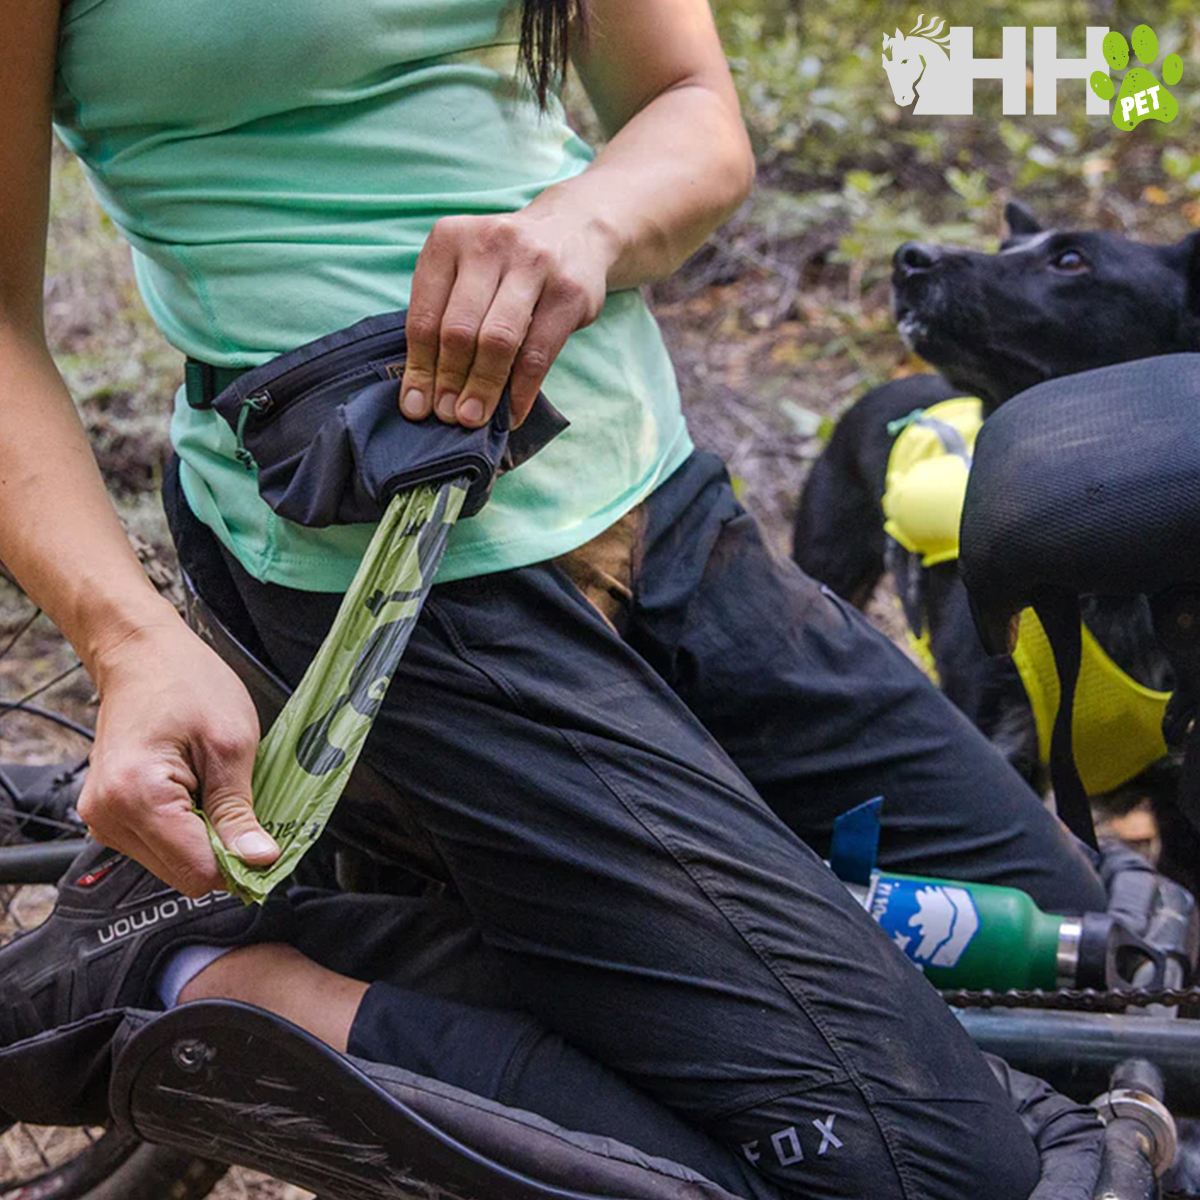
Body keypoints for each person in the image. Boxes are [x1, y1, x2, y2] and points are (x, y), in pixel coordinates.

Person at [0, 1, 1107, 1197]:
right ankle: (211, 980)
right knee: (931, 1172)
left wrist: (582, 221)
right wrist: (128, 640)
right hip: (396, 601)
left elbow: (689, 103)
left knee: (1080, 974)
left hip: (660, 506)